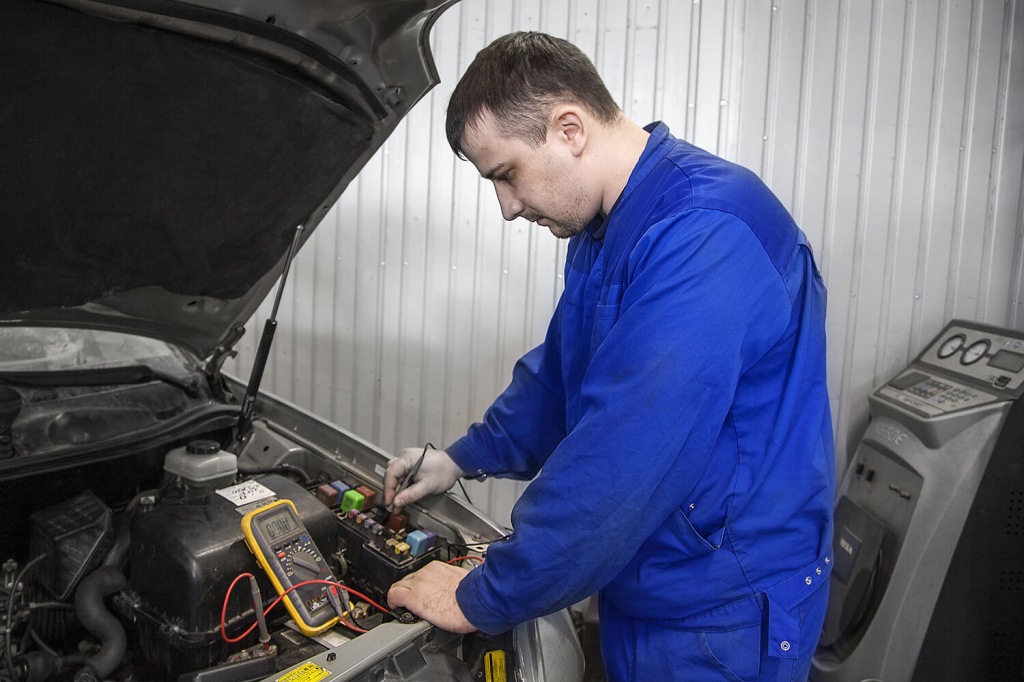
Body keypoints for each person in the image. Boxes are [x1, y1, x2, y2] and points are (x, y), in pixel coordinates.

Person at [384, 31, 834, 681]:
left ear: (569, 129)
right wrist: (460, 458)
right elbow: (561, 375)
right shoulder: (605, 228)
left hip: (723, 614)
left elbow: (623, 450)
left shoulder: (707, 231)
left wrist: (484, 595)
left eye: (505, 174)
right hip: (647, 582)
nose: (507, 207)